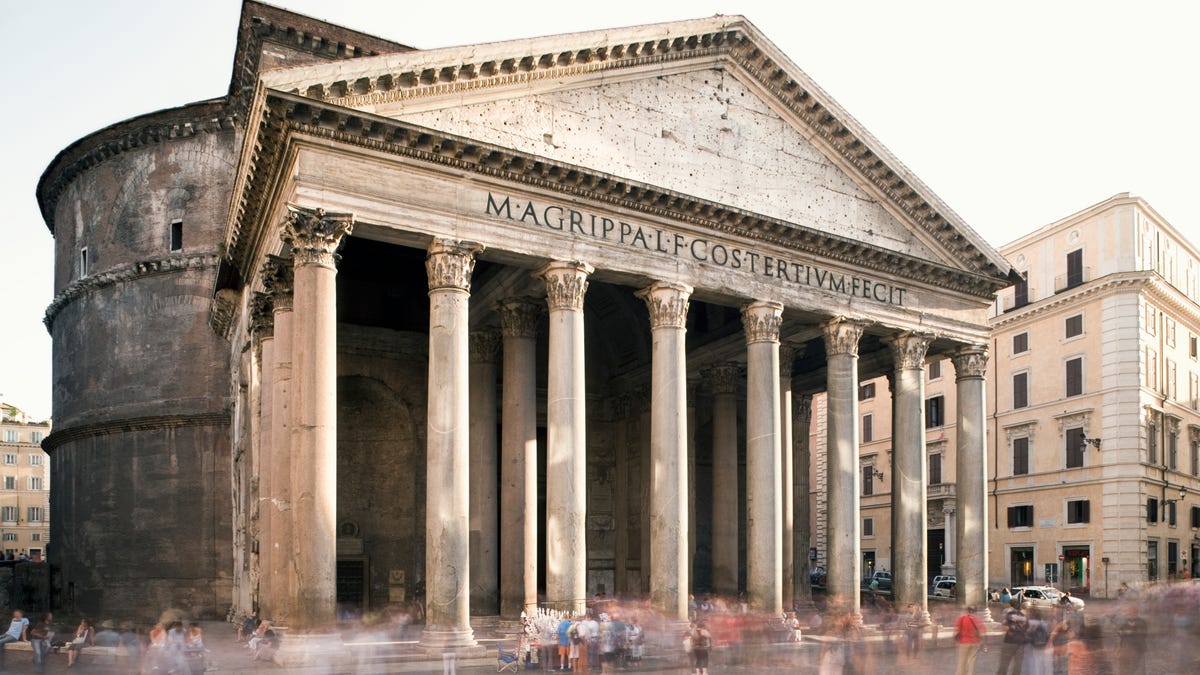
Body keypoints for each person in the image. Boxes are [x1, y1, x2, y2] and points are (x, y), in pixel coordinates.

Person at [954, 605, 987, 675]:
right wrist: (984, 644)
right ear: (975, 612)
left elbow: (956, 631)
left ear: (967, 611)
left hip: (964, 642)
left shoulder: (962, 618)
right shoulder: (978, 620)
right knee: (972, 662)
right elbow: (983, 633)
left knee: (962, 661)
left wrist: (956, 640)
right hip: (975, 643)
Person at [996, 601, 1027, 675]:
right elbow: (1026, 629)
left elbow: (1004, 627)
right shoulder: (1023, 616)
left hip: (1009, 641)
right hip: (1020, 642)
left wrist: (1010, 630)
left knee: (1004, 662)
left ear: (1011, 606)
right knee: (1018, 664)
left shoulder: (1010, 615)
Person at [1114, 605, 1147, 675]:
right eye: (1128, 612)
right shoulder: (1125, 622)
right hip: (1125, 649)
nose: (1129, 614)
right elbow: (1119, 632)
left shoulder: (1141, 622)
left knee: (1135, 668)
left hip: (1137, 649)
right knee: (1123, 668)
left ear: (1136, 613)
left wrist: (1131, 631)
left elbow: (1143, 634)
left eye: (1131, 612)